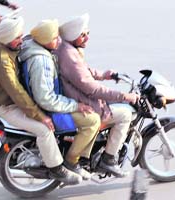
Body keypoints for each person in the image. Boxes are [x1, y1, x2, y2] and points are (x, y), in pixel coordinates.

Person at [0, 16, 82, 185]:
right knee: (44, 130)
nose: (21, 40)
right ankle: (57, 169)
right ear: (7, 39)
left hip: (11, 102)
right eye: (17, 38)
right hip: (8, 107)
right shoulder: (2, 62)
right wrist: (41, 117)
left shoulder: (6, 46)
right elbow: (17, 93)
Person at [55, 13, 140, 177]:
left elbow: (83, 72)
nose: (87, 38)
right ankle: (108, 160)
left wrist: (103, 75)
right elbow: (92, 89)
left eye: (88, 33)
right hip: (82, 100)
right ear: (74, 36)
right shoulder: (70, 55)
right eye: (83, 35)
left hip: (75, 95)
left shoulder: (67, 49)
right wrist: (123, 96)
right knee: (124, 114)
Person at [18, 19, 101, 180]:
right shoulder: (41, 61)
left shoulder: (38, 49)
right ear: (45, 40)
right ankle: (72, 162)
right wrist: (76, 105)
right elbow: (46, 99)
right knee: (92, 121)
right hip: (48, 109)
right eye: (55, 38)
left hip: (46, 102)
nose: (59, 40)